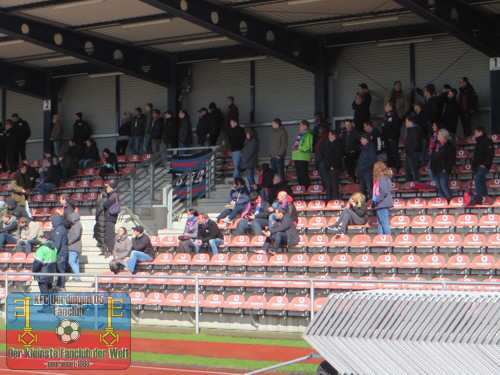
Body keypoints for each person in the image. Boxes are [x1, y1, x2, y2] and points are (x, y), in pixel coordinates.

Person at [469, 126, 494, 204]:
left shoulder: (487, 141)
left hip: (483, 166)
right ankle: (485, 199)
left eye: (476, 132)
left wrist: (485, 164)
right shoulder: (478, 142)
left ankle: (480, 200)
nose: (474, 134)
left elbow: (490, 154)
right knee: (481, 182)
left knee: (478, 181)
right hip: (477, 166)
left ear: (481, 132)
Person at [430, 128, 456, 202]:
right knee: (439, 187)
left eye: (438, 134)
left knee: (443, 185)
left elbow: (452, 159)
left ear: (443, 135)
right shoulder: (437, 145)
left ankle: (451, 201)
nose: (437, 136)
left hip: (444, 170)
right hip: (435, 169)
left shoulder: (450, 146)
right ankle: (444, 201)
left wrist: (445, 169)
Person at [321, 130, 344, 201]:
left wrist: (333, 166)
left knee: (334, 185)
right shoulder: (329, 144)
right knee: (328, 184)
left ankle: (335, 200)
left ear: (334, 135)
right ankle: (329, 200)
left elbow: (338, 156)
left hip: (334, 168)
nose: (328, 137)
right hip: (328, 167)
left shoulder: (337, 144)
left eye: (330, 135)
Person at [372, 161, 394, 235]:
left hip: (382, 203)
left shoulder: (382, 178)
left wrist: (376, 200)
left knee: (384, 223)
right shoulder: (384, 177)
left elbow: (383, 191)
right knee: (380, 223)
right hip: (382, 203)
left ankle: (388, 240)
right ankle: (381, 239)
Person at [292, 120, 314, 188]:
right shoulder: (300, 134)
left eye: (301, 125)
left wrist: (299, 147)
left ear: (305, 126)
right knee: (299, 175)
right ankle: (301, 188)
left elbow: (307, 146)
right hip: (297, 156)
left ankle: (306, 188)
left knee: (303, 174)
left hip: (303, 157)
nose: (299, 126)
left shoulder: (308, 134)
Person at [51, 214, 69, 291]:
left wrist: (54, 252)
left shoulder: (58, 230)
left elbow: (58, 243)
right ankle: (59, 284)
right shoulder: (62, 228)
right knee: (59, 269)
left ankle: (61, 285)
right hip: (63, 251)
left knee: (60, 269)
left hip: (60, 253)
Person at [381, 102, 401, 169]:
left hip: (392, 139)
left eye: (386, 106)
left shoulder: (394, 116)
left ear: (391, 107)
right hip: (386, 139)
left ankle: (398, 168)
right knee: (389, 155)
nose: (384, 107)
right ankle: (391, 169)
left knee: (394, 154)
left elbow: (396, 128)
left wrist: (392, 137)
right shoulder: (386, 116)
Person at [357, 134, 377, 198]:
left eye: (362, 139)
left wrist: (365, 167)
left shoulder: (370, 147)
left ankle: (374, 204)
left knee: (370, 189)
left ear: (366, 139)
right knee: (362, 190)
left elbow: (373, 160)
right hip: (362, 171)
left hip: (367, 171)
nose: (361, 140)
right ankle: (364, 205)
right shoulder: (363, 148)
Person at [404, 115, 423, 182]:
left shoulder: (414, 130)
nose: (405, 123)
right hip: (410, 153)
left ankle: (416, 183)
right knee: (408, 169)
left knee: (413, 170)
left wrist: (410, 151)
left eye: (406, 121)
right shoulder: (411, 130)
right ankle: (408, 183)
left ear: (410, 122)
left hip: (413, 153)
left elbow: (416, 142)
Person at [102, 184, 119, 253]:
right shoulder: (113, 195)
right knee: (109, 234)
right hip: (110, 217)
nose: (106, 189)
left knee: (110, 234)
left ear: (112, 188)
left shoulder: (113, 195)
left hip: (110, 217)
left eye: (108, 187)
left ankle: (111, 249)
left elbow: (105, 204)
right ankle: (110, 249)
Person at [67, 211, 82, 281]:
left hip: (74, 247)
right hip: (75, 246)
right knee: (75, 262)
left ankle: (77, 277)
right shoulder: (76, 224)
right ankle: (77, 276)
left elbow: (76, 235)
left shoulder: (77, 225)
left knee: (71, 261)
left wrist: (69, 242)